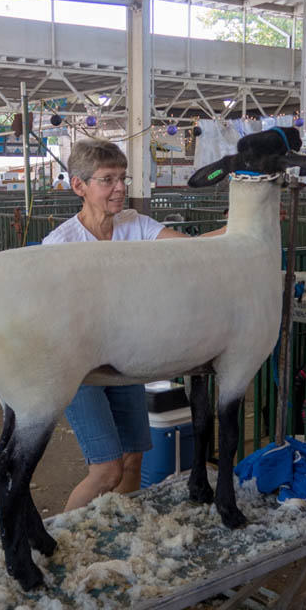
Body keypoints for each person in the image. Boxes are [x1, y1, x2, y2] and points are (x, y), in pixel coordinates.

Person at [42, 139, 224, 512]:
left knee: (133, 459)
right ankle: (62, 538)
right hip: (79, 366)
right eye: (107, 179)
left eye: (122, 178)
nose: (120, 187)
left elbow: (191, 247)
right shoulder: (60, 245)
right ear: (80, 187)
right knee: (106, 470)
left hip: (124, 360)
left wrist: (247, 225)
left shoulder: (135, 225)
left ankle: (117, 526)